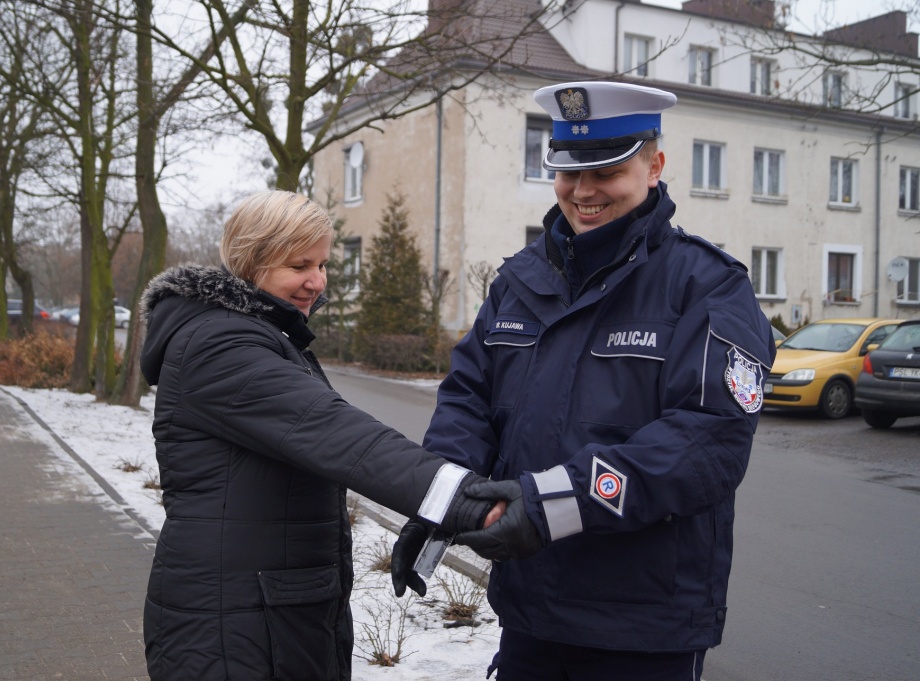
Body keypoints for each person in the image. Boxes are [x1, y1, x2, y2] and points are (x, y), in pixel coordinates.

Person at [392, 81, 776, 680]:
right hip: (530, 612)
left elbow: (709, 441)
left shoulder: (707, 285)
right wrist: (439, 502)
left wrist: (553, 505)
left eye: (607, 171)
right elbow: (468, 402)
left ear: (655, 167)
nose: (583, 191)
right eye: (569, 171)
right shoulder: (519, 281)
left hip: (643, 627)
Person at [138, 190, 512, 681]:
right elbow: (341, 437)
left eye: (322, 264)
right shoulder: (220, 344)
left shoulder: (260, 335)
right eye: (299, 266)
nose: (317, 281)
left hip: (269, 613)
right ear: (251, 261)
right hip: (232, 625)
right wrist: (465, 502)